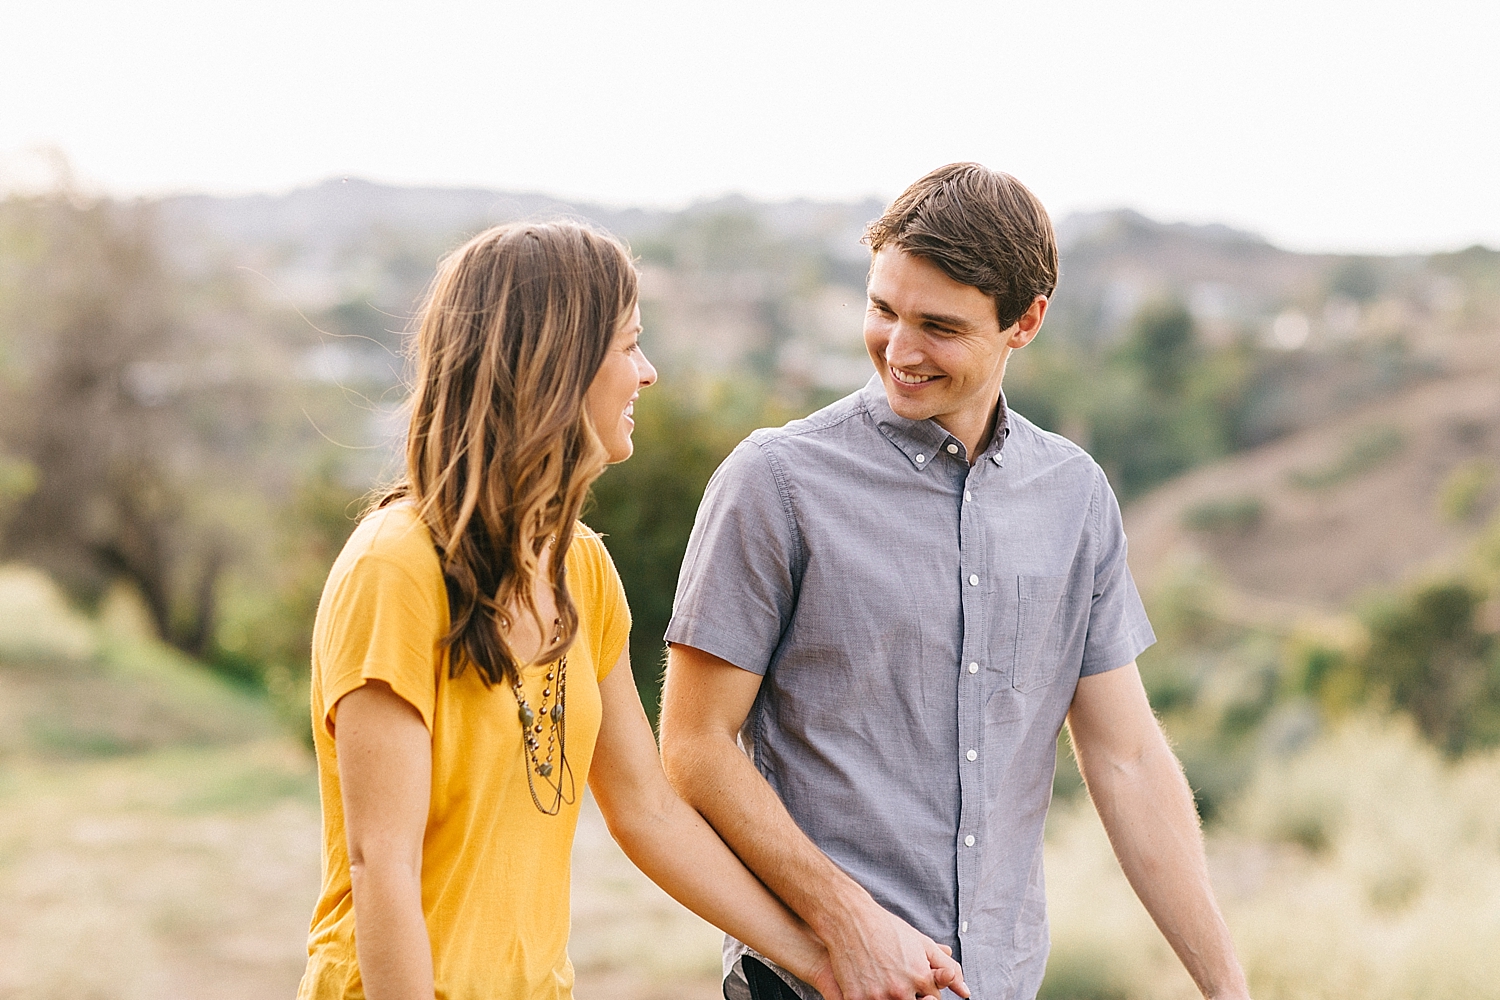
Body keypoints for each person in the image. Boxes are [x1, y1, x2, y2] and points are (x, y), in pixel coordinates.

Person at [295, 221, 965, 1000]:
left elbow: (648, 810)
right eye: (627, 345)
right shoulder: (395, 568)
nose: (646, 374)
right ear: (555, 364)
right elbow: (385, 867)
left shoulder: (580, 567)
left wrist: (817, 958)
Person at [659, 163, 1253, 1000]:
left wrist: (1227, 987)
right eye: (882, 309)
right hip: (815, 983)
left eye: (938, 326)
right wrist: (846, 923)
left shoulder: (1074, 497)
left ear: (1027, 321)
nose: (899, 351)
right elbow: (692, 747)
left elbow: (1124, 759)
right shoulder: (775, 483)